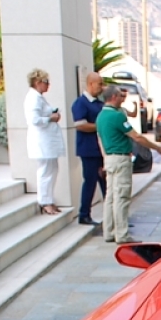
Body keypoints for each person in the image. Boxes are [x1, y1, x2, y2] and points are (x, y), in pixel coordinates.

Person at [97, 84, 161, 244]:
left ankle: (108, 231)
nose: (122, 98)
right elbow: (136, 137)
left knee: (110, 197)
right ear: (113, 97)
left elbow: (100, 140)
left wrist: (105, 158)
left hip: (109, 158)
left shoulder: (100, 116)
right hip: (121, 158)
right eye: (120, 95)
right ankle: (121, 234)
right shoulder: (117, 116)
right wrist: (157, 148)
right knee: (122, 196)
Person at [24, 69, 65, 215]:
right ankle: (44, 201)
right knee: (45, 171)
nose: (48, 85)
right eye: (46, 82)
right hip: (42, 141)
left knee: (52, 170)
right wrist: (50, 118)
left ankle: (49, 199)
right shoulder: (33, 98)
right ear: (37, 82)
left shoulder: (39, 98)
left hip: (48, 141)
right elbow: (34, 120)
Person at [71, 71, 107, 226]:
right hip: (89, 149)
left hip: (100, 149)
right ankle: (84, 214)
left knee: (106, 183)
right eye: (100, 84)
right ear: (91, 84)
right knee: (90, 181)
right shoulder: (81, 103)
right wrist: (101, 127)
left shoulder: (98, 103)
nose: (102, 87)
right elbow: (80, 125)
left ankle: (113, 216)